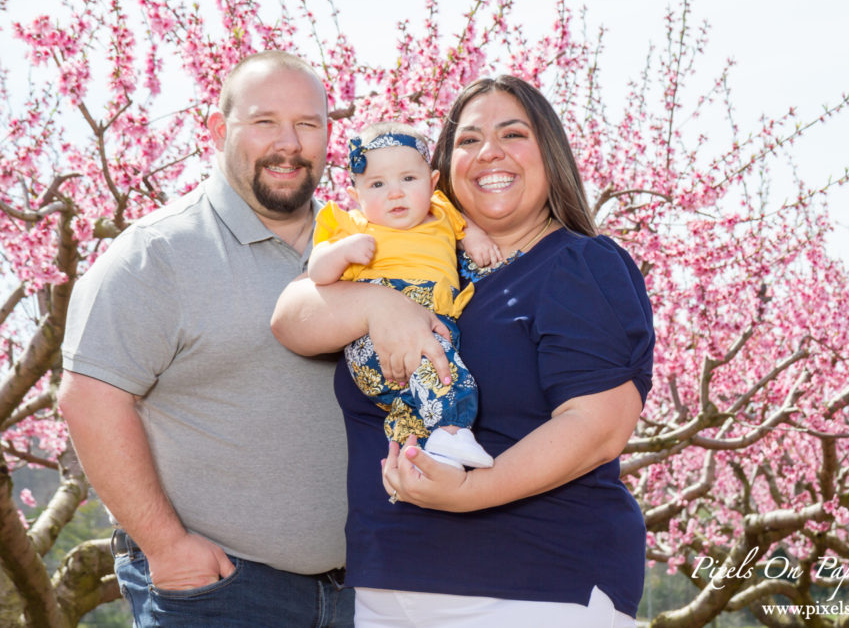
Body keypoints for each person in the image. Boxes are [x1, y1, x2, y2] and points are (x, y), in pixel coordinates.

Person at [273, 75, 655, 627]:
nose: (489, 153)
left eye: (513, 134)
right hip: (387, 585)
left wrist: (473, 491)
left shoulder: (578, 264)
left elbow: (599, 426)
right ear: (445, 171)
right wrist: (381, 306)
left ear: (552, 154)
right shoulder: (407, 263)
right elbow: (290, 319)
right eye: (469, 140)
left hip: (532, 586)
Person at [55, 50, 420, 627]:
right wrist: (166, 545)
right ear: (218, 130)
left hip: (365, 593)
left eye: (307, 124)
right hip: (222, 594)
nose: (289, 142)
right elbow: (89, 399)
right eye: (265, 121)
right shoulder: (156, 253)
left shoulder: (365, 247)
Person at [309, 121, 499, 469]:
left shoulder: (443, 212)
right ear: (357, 196)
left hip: (437, 322)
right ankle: (452, 433)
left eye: (408, 179)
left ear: (433, 183)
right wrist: (342, 252)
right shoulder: (354, 226)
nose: (395, 193)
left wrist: (474, 237)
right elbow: (316, 273)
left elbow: (463, 226)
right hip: (376, 340)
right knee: (447, 374)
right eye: (377, 184)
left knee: (419, 393)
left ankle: (418, 453)